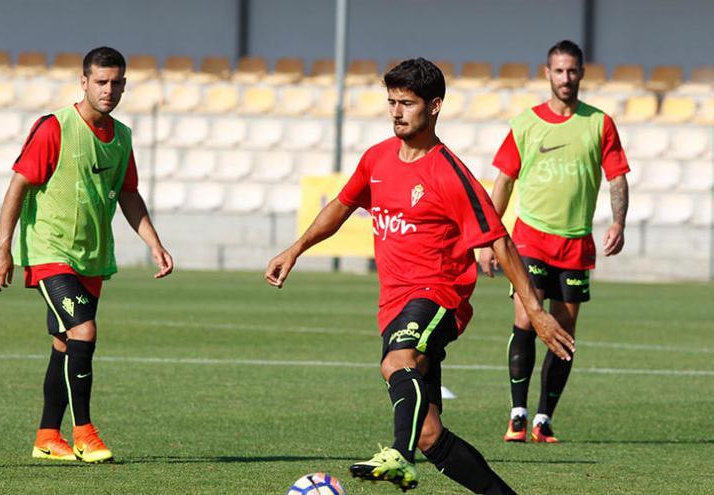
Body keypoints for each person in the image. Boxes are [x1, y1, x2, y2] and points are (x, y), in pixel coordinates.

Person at [265, 58, 573, 493]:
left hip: (439, 296)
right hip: (394, 303)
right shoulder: (377, 159)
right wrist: (295, 249)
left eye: (406, 103)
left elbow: (500, 241)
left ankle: (399, 456)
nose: (396, 111)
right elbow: (342, 205)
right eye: (391, 101)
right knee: (430, 434)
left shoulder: (449, 173)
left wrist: (536, 312)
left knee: (396, 362)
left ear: (434, 107)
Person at [0, 46, 174, 463]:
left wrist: (154, 243)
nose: (109, 90)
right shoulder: (54, 127)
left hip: (91, 257)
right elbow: (17, 187)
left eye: (116, 83)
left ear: (125, 85)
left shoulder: (123, 137)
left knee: (63, 343)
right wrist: (2, 248)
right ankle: (84, 432)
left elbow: (129, 194)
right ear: (84, 82)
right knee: (84, 331)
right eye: (101, 82)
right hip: (49, 253)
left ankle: (46, 436)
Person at [477, 40, 629, 444]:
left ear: (581, 73)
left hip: (576, 244)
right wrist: (488, 239)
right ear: (547, 74)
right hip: (530, 239)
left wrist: (618, 220)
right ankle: (517, 415)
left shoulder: (599, 123)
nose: (566, 78)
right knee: (527, 318)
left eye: (573, 71)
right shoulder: (526, 123)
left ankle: (544, 419)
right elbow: (504, 180)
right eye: (559, 71)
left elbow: (616, 176)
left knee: (564, 333)